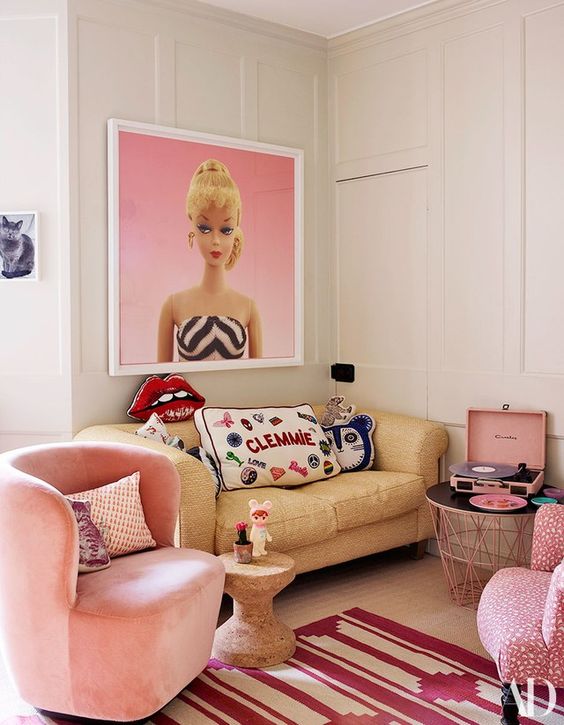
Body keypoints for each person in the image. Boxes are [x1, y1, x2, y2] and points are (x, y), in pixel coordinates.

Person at [157, 159, 263, 362]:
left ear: (236, 232)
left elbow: (259, 376)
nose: (215, 240)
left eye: (226, 230)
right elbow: (162, 376)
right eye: (204, 228)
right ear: (192, 230)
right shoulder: (173, 305)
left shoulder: (248, 307)